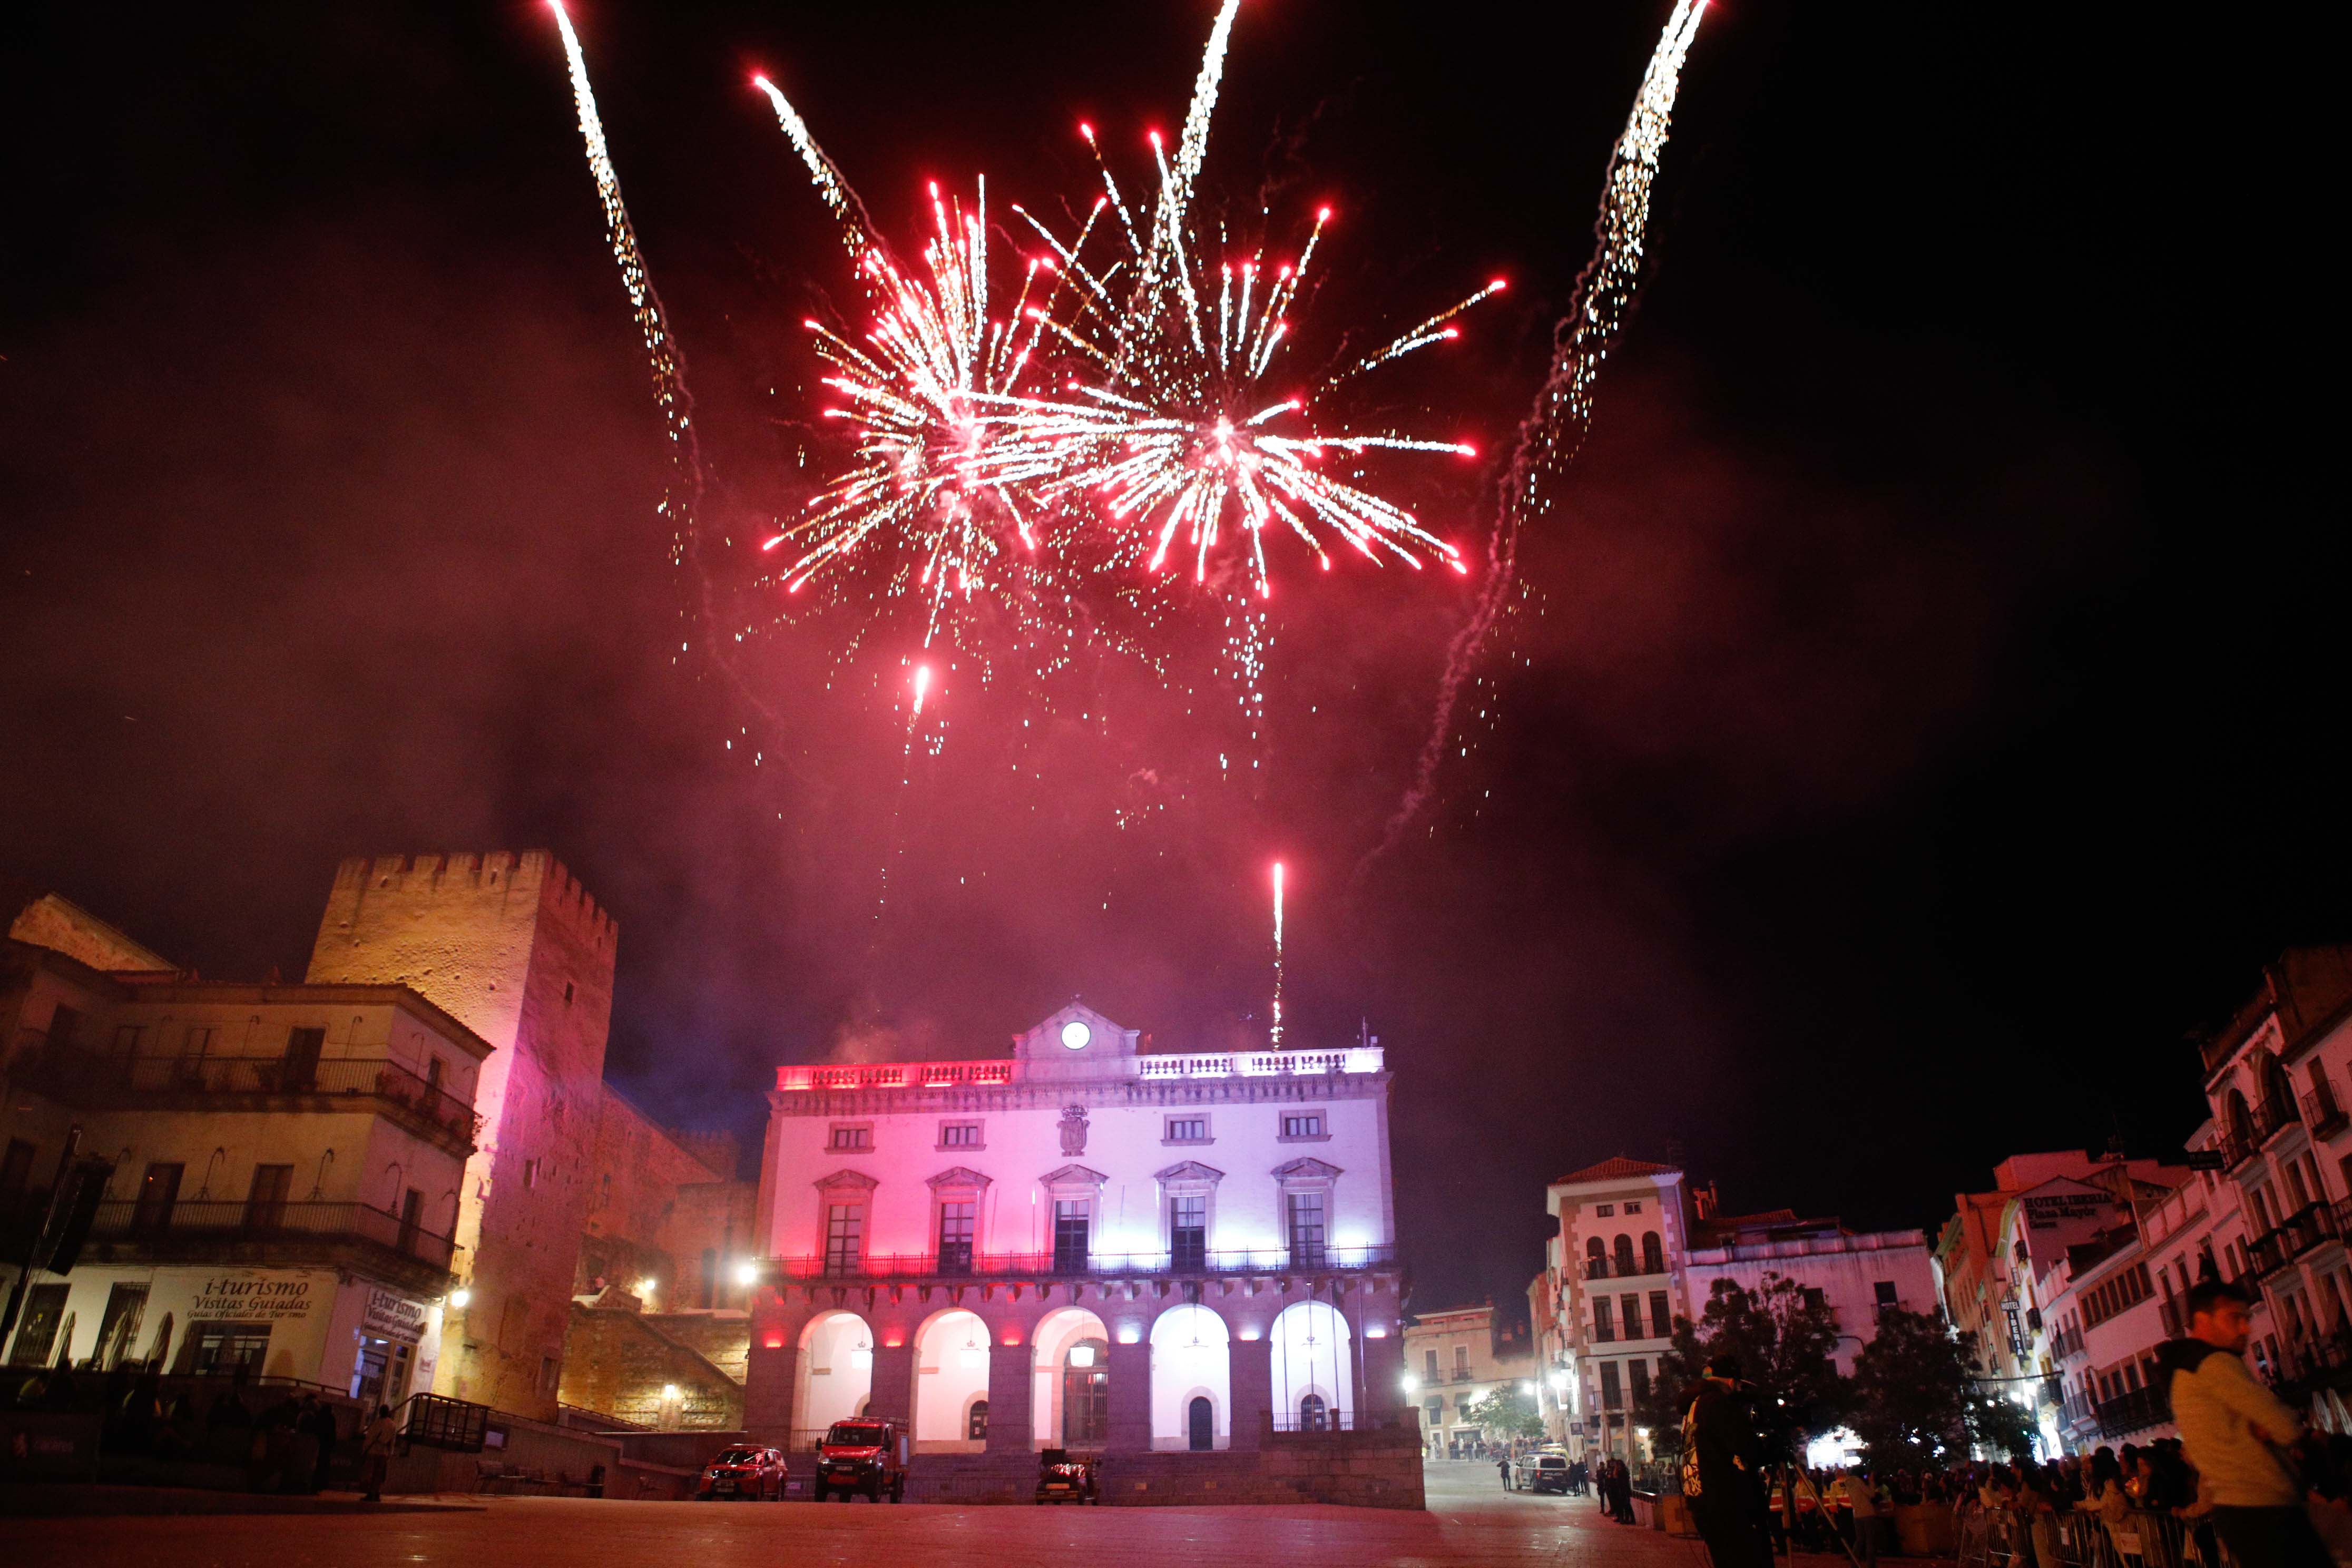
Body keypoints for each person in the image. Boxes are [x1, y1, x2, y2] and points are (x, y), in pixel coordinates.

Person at [2157, 1279, 2330, 1568]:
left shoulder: (2180, 1371)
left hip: (2234, 1508)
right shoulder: (2214, 1363)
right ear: (2203, 1320)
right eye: (2235, 1318)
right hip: (2264, 1503)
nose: (2246, 1329)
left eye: (2247, 1318)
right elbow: (2282, 1423)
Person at [1682, 1357, 1768, 1568]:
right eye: (1739, 1385)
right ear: (1732, 1382)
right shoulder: (1717, 1403)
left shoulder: (1694, 1405)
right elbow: (1747, 1448)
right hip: (1725, 1504)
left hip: (1703, 1502)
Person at [361, 1404, 397, 1503]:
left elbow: (369, 1438)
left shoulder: (376, 1423)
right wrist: (390, 1453)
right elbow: (392, 1441)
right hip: (384, 1453)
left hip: (373, 1451)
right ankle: (377, 1492)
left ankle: (371, 1493)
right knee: (380, 1475)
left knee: (371, 1473)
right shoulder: (392, 1425)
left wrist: (365, 1450)